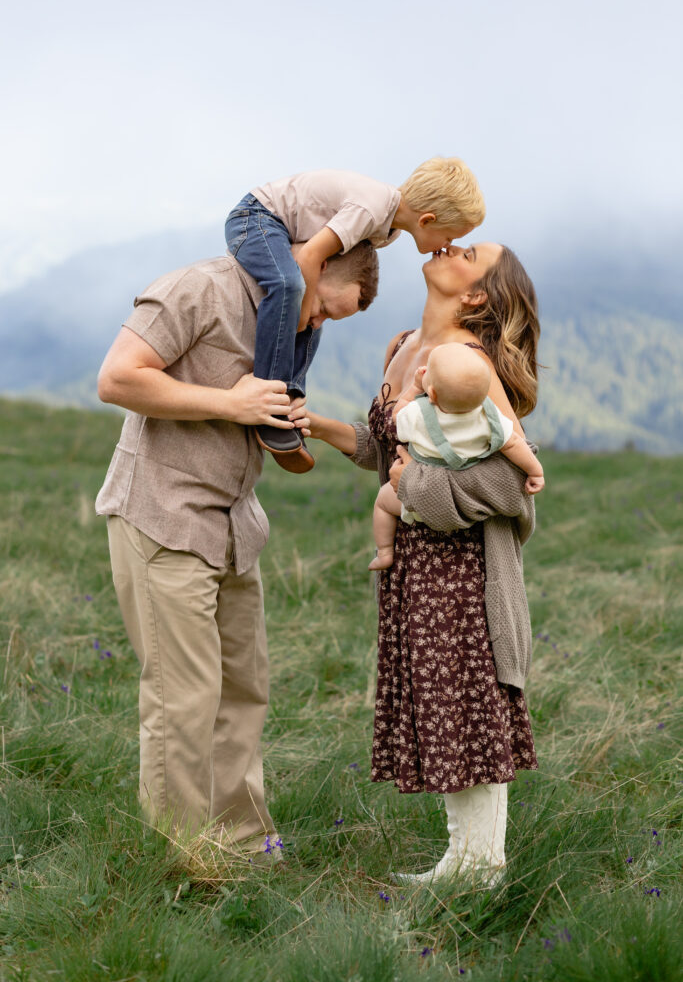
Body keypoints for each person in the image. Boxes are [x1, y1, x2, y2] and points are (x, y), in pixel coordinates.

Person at [94, 242, 379, 856]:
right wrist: (234, 403)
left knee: (243, 689)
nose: (320, 325)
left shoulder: (288, 326)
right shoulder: (196, 289)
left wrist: (292, 431)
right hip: (164, 517)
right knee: (184, 699)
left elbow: (281, 449)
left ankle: (244, 842)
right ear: (314, 267)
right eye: (328, 309)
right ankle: (186, 857)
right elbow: (115, 379)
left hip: (235, 529)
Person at [298, 242, 540, 885]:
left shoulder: (472, 365)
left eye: (472, 252)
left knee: (469, 708)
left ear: (476, 295)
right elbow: (391, 450)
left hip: (465, 571)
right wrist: (318, 426)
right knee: (440, 706)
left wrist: (412, 491)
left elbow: (513, 487)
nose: (450, 243)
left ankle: (480, 868)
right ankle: (463, 859)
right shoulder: (404, 346)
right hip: (412, 566)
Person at [224, 158, 485, 466]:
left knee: (314, 317)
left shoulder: (387, 232)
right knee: (290, 288)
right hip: (255, 218)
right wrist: (300, 317)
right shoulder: (372, 210)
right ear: (427, 220)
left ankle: (291, 396)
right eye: (450, 237)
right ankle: (267, 399)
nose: (448, 246)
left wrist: (309, 317)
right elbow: (310, 255)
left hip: (279, 231)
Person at [369, 341, 545, 570]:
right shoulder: (487, 417)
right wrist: (535, 471)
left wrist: (413, 388)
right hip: (463, 505)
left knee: (383, 503)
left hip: (419, 496)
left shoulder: (420, 416)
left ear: (431, 393)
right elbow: (513, 444)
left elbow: (397, 415)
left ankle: (384, 552)